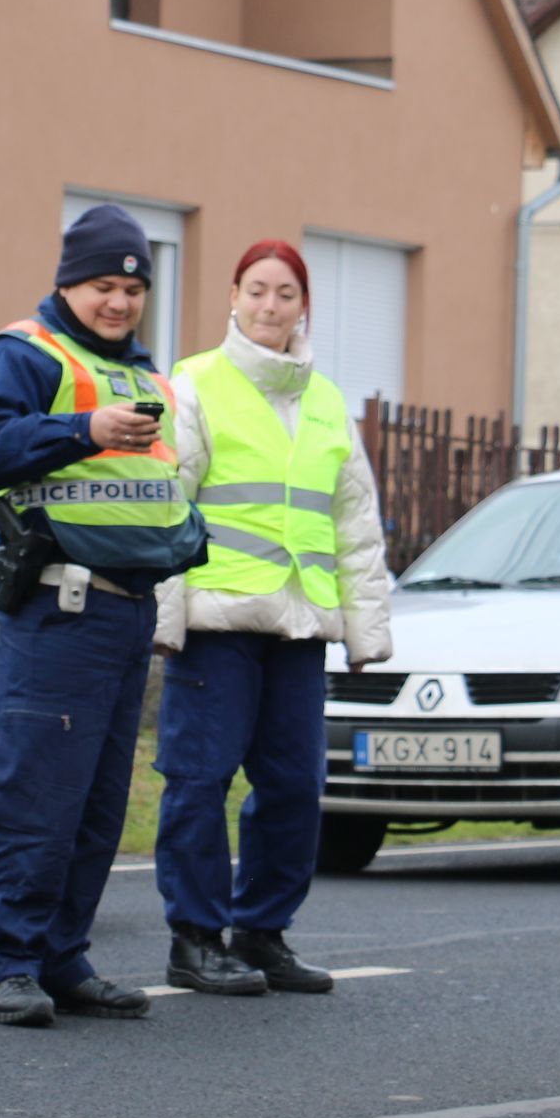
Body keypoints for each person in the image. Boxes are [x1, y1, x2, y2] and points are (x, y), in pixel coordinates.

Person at [0, 203, 208, 1029]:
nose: (119, 303)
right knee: (38, 795)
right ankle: (7, 964)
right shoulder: (25, 354)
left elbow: (157, 488)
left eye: (133, 289)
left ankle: (62, 956)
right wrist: (81, 428)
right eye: (103, 285)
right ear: (69, 282)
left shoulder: (145, 375)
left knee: (97, 804)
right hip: (61, 610)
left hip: (129, 613)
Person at [152, 241, 392, 996]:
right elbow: (165, 503)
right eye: (257, 290)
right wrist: (163, 616)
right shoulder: (194, 382)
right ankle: (194, 939)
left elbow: (356, 523)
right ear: (232, 297)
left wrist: (367, 629)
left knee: (293, 786)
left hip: (299, 628)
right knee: (200, 778)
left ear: (303, 307)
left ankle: (262, 932)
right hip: (217, 620)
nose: (269, 306)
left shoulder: (325, 400)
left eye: (285, 293)